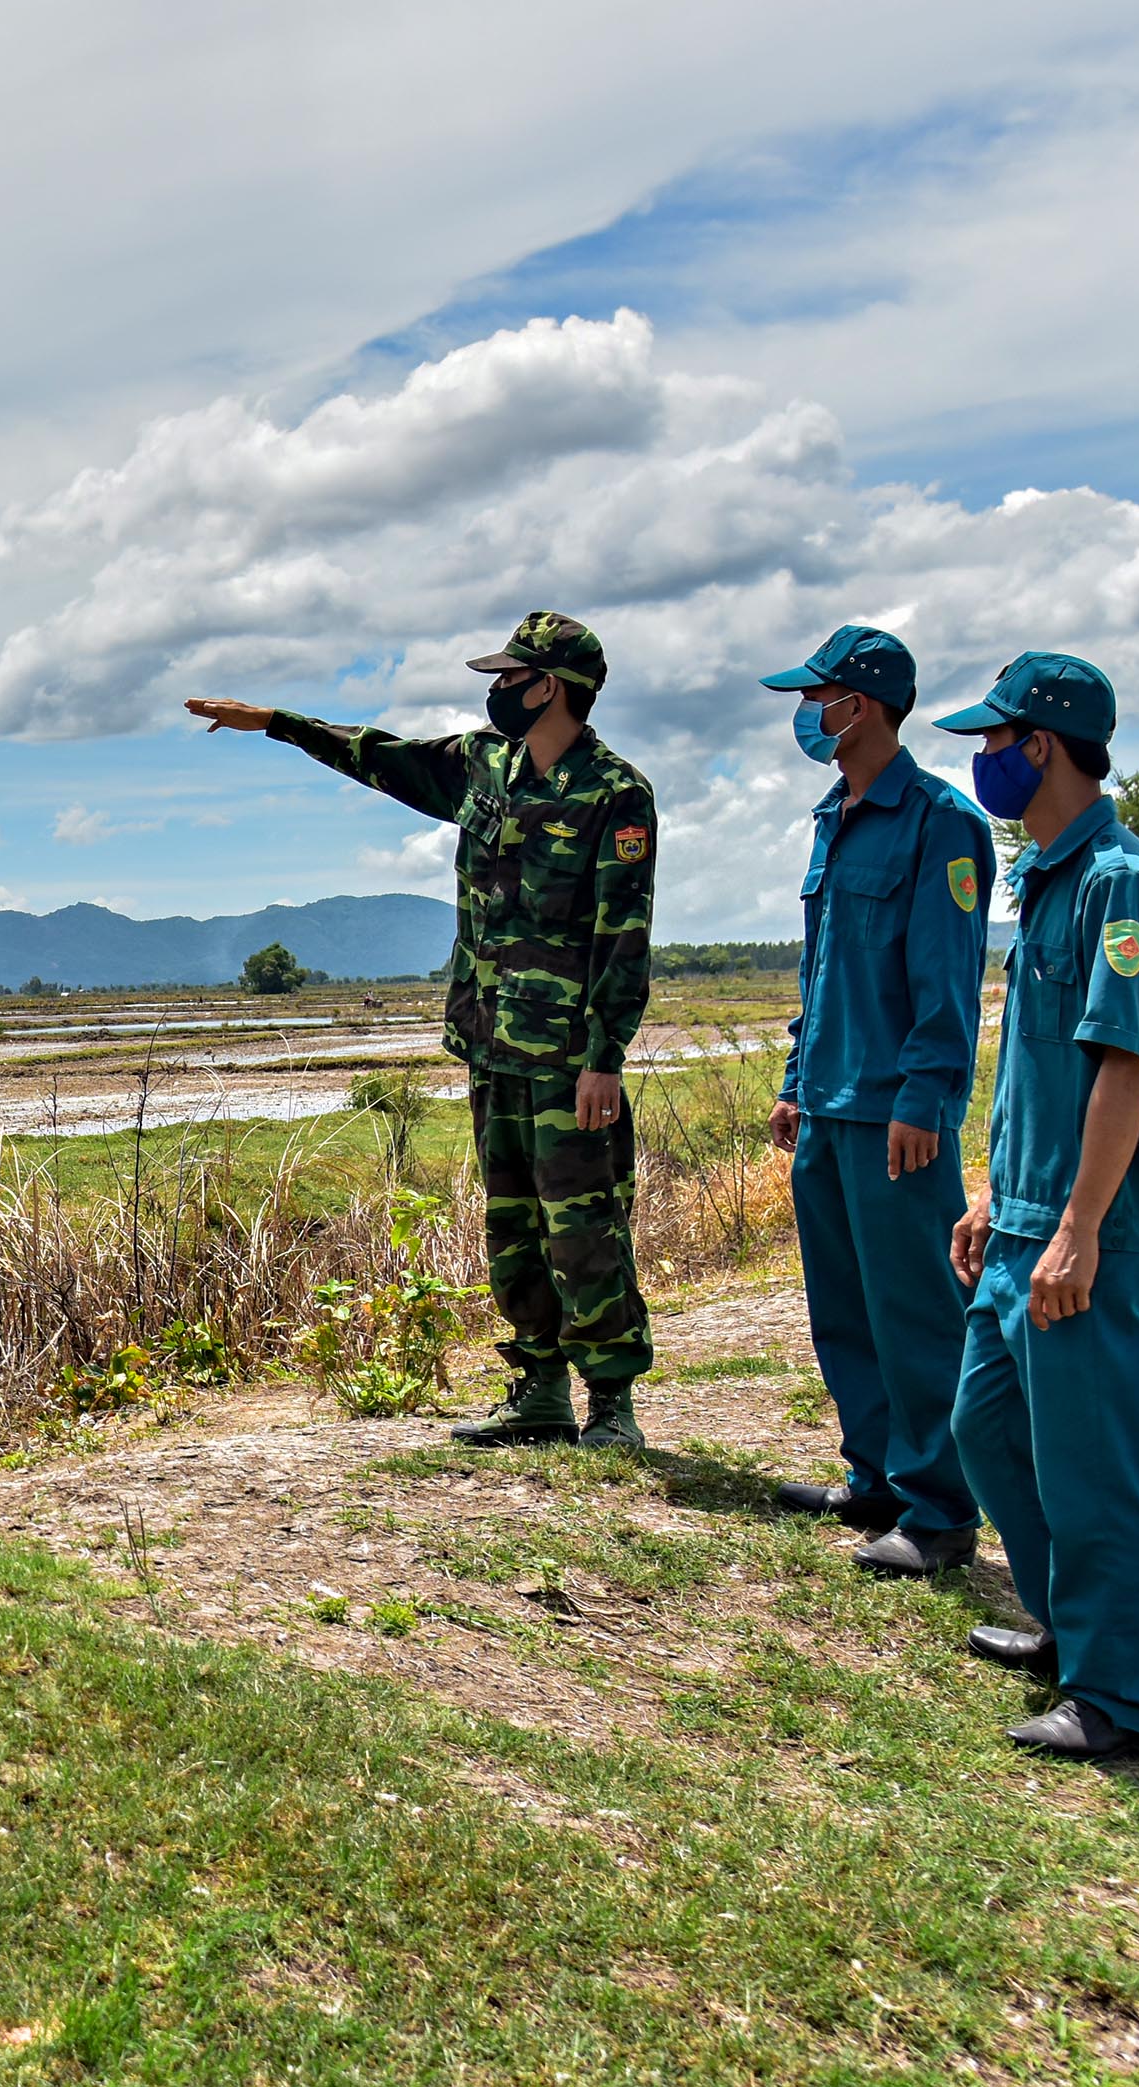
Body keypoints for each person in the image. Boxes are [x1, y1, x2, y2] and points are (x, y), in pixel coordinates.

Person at [186, 610, 661, 1449]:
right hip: (491, 1045)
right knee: (512, 1221)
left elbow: (624, 937)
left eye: (510, 677)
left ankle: (611, 1401)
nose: (496, 690)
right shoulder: (481, 765)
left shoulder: (615, 795)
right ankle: (539, 1390)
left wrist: (605, 1059)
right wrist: (280, 725)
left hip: (567, 1058)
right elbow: (382, 755)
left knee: (583, 1223)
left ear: (551, 687)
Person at [933, 652, 1139, 1759]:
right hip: (1023, 1217)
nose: (982, 760)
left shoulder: (1118, 886)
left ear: (1038, 744)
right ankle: (1064, 1624)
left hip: (1084, 1225)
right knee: (983, 1428)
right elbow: (1039, 1070)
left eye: (992, 741)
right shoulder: (1042, 875)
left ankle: (1120, 1693)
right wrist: (995, 1190)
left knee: (1092, 1465)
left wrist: (1079, 1227)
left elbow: (1122, 1070)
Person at [759, 626, 994, 1578]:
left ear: (862, 703)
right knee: (844, 1305)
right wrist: (794, 1081)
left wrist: (925, 1095)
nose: (807, 714)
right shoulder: (833, 815)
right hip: (828, 1100)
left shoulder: (942, 823)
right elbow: (824, 974)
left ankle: (940, 1509)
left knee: (916, 1311)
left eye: (819, 697)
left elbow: (949, 978)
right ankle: (876, 1477)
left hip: (896, 1111)